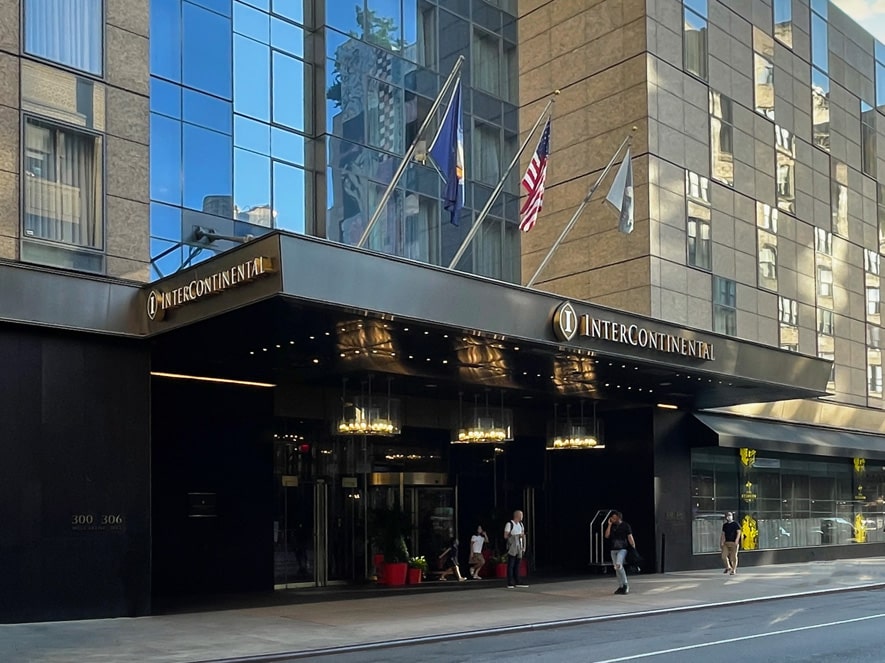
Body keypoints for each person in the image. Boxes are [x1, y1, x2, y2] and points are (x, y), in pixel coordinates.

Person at [604, 510, 636, 595]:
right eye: (612, 518)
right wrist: (609, 525)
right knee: (616, 568)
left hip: (622, 549)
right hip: (613, 550)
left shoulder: (625, 525)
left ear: (619, 517)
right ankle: (621, 586)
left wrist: (633, 547)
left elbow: (630, 537)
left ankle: (625, 584)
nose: (613, 519)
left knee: (619, 565)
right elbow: (606, 535)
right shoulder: (613, 526)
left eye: (614, 517)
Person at [503, 510, 528, 588]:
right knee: (511, 565)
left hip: (519, 547)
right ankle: (510, 582)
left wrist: (524, 546)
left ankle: (518, 581)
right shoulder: (509, 524)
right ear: (517, 515)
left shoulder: (521, 524)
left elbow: (523, 535)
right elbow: (505, 536)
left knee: (517, 565)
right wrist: (515, 535)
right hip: (512, 547)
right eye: (521, 515)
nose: (522, 517)